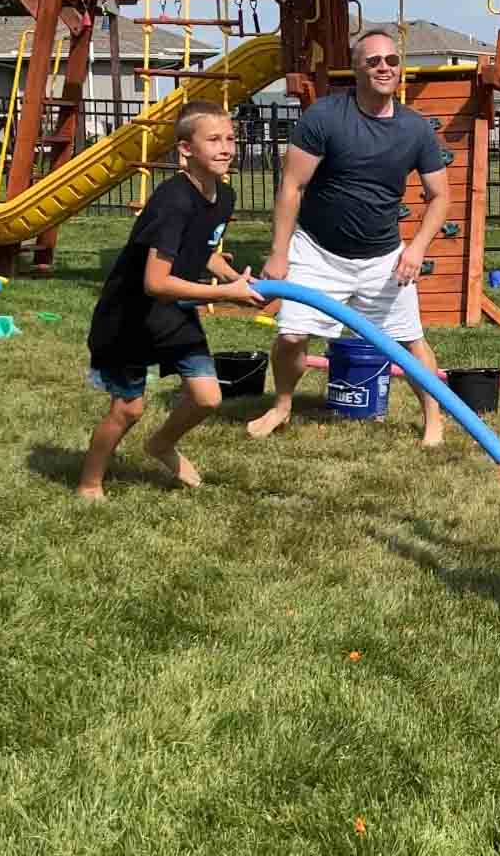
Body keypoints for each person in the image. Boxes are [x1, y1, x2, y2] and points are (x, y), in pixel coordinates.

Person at [246, 28, 451, 446]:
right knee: (290, 337)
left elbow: (440, 196)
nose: (384, 67)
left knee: (410, 342)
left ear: (399, 69)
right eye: (373, 60)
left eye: (391, 61)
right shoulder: (324, 117)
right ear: (356, 67)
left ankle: (434, 417)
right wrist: (279, 253)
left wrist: (415, 248)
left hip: (382, 258)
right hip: (318, 251)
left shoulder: (415, 129)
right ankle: (282, 406)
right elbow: (291, 186)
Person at [79, 101, 259, 501]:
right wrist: (224, 294)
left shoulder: (223, 196)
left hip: (172, 313)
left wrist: (234, 277)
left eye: (231, 139)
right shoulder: (172, 201)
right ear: (185, 150)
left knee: (207, 397)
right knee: (128, 409)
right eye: (213, 139)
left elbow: (199, 248)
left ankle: (160, 445)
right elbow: (156, 283)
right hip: (128, 318)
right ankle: (90, 481)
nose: (226, 147)